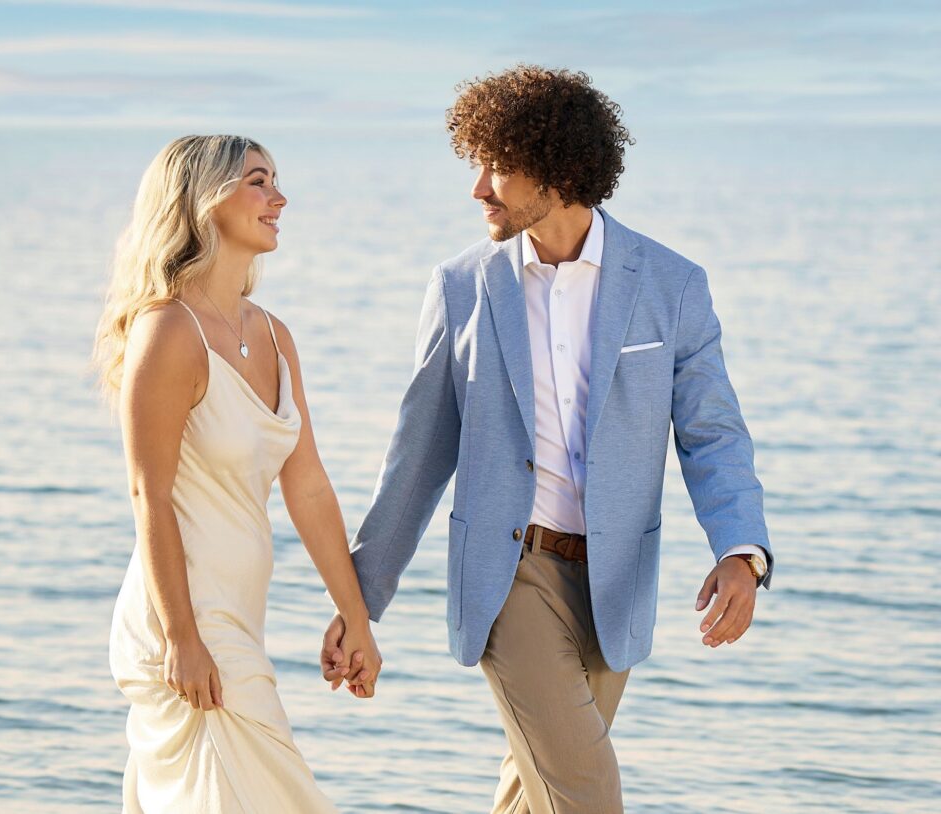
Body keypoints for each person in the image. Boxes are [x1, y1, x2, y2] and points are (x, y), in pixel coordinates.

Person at [321, 66, 774, 813]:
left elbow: (713, 433)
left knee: (536, 798)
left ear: (559, 169)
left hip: (614, 583)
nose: (478, 189)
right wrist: (361, 598)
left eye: (497, 166)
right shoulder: (462, 286)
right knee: (588, 795)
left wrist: (741, 551)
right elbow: (419, 453)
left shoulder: (671, 284)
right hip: (511, 575)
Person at [96, 134, 380, 813]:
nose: (279, 197)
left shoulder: (276, 336)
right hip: (186, 621)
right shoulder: (167, 331)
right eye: (258, 181)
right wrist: (182, 639)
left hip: (239, 617)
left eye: (275, 180)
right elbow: (149, 495)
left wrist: (357, 615)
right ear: (203, 201)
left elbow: (308, 487)